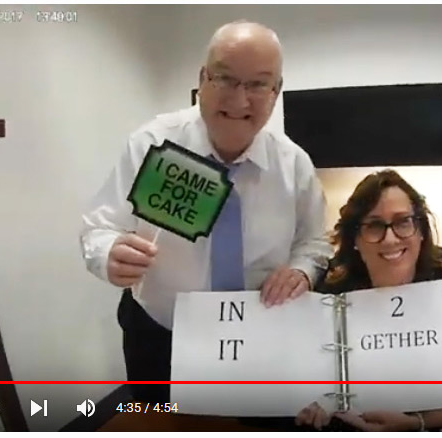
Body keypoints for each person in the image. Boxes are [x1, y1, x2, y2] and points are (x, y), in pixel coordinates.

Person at [79, 21, 332, 403]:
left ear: (276, 91)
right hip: (160, 335)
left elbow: (314, 241)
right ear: (203, 79)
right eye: (225, 78)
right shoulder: (151, 145)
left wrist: (301, 271)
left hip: (261, 334)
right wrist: (108, 253)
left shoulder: (294, 164)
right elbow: (98, 227)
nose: (239, 100)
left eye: (258, 84)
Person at [294, 169, 442, 432]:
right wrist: (315, 404)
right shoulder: (332, 293)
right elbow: (318, 387)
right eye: (374, 226)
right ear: (355, 239)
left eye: (403, 222)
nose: (390, 239)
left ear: (421, 231)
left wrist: (416, 424)